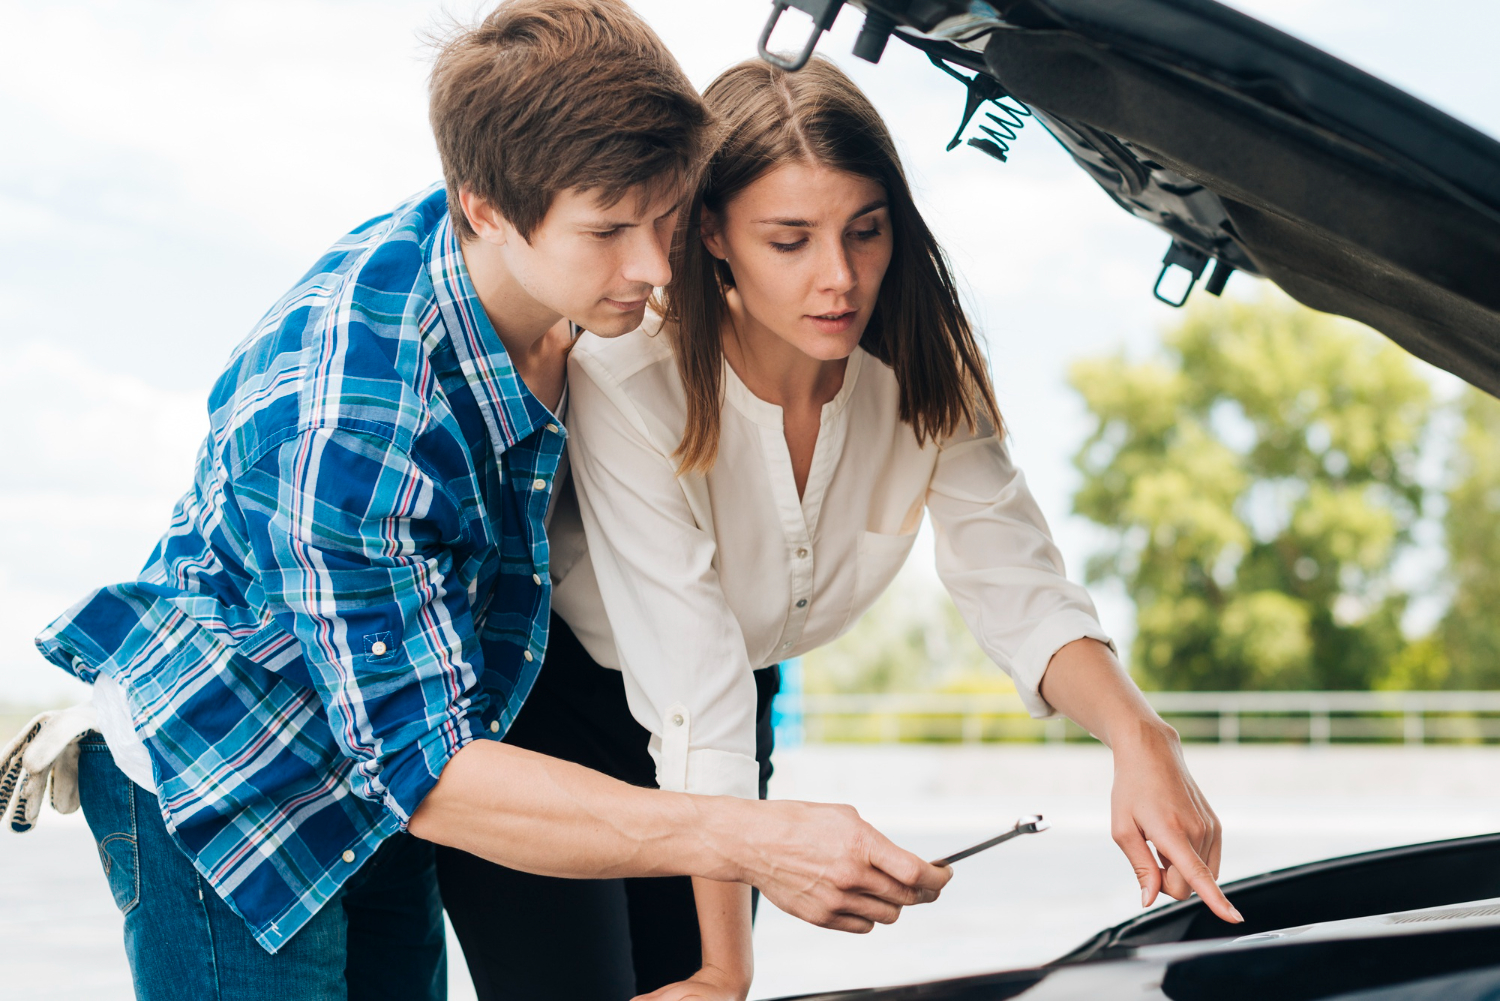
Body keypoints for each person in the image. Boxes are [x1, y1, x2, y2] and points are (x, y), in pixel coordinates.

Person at [18, 10, 949, 1000]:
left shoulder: (560, 254)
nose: (653, 265)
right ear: (485, 207)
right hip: (238, 772)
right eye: (607, 230)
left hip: (377, 763)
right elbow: (433, 775)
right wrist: (753, 834)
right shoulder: (355, 418)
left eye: (667, 216)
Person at [517, 56, 1239, 1001]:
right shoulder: (626, 375)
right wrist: (728, 972)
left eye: (866, 231)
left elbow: (1013, 577)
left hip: (736, 706)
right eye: (790, 240)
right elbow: (691, 679)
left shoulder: (924, 367)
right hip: (558, 720)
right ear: (712, 233)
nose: (841, 278)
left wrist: (1143, 740)